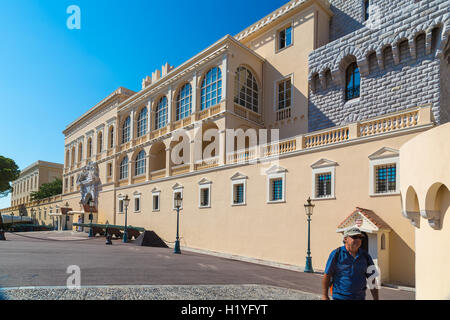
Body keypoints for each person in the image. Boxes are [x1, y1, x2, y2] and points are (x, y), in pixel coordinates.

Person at [322, 227, 379, 300]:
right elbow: (327, 275)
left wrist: (376, 298)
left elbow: (372, 278)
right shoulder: (336, 254)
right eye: (354, 237)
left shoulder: (366, 256)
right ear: (345, 239)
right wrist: (324, 296)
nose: (358, 239)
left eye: (360, 237)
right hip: (340, 297)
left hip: (360, 297)